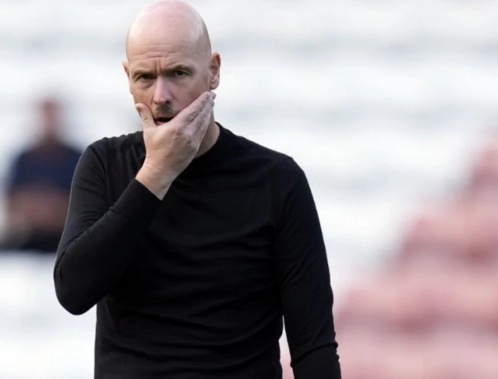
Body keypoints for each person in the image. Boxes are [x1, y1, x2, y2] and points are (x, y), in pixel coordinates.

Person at [53, 1, 341, 378]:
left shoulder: (276, 181)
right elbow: (73, 291)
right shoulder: (105, 164)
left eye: (178, 73)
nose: (161, 96)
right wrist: (156, 173)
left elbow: (313, 346)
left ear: (214, 71)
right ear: (127, 77)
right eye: (144, 78)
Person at [0, 96, 83, 254]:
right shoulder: (22, 159)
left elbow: (89, 205)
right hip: (27, 234)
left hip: (66, 236)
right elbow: (9, 203)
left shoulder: (79, 158)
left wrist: (54, 210)